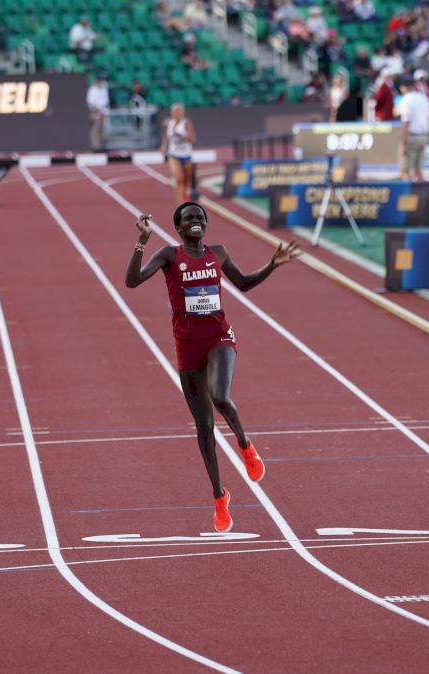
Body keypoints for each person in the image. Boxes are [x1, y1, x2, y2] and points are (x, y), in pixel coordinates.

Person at [124, 204, 302, 531]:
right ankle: (220, 497)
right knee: (204, 428)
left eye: (200, 218)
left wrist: (272, 265)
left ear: (206, 226)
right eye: (188, 218)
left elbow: (244, 283)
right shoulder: (168, 255)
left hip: (220, 338)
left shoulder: (218, 253)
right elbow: (132, 281)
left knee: (221, 398)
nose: (195, 221)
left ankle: (245, 445)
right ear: (178, 228)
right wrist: (142, 240)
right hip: (187, 348)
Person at [398, 70, 429, 182]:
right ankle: (421, 197)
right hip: (423, 135)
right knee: (419, 171)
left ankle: (406, 196)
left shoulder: (406, 100)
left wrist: (403, 141)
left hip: (412, 136)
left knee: (406, 172)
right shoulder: (423, 98)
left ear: (403, 87)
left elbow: (406, 122)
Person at [160, 103, 196, 203]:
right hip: (173, 155)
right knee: (179, 179)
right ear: (171, 112)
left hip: (186, 155)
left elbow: (193, 139)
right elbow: (166, 135)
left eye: (178, 111)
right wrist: (163, 145)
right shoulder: (170, 123)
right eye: (174, 111)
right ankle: (180, 204)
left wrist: (183, 137)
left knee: (185, 182)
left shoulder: (186, 123)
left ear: (183, 112)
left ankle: (184, 195)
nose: (176, 113)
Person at [86, 75, 109, 152]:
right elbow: (91, 102)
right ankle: (95, 147)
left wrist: (103, 112)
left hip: (103, 112)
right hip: (95, 111)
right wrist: (98, 110)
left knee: (103, 130)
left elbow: (106, 101)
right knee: (95, 129)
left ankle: (102, 146)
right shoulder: (92, 90)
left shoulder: (104, 90)